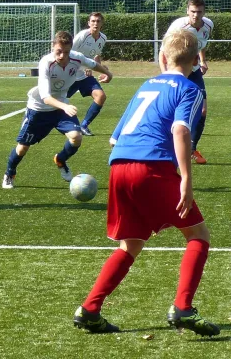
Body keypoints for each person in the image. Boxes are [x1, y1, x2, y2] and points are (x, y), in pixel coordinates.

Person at [73, 29, 219, 337]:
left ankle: (89, 310)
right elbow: (181, 131)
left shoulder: (146, 85)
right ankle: (182, 307)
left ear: (162, 58)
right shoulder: (190, 90)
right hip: (150, 167)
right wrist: (186, 180)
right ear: (196, 61)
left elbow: (114, 138)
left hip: (119, 166)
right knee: (198, 235)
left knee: (132, 244)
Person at [2, 31, 113, 189]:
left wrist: (108, 73)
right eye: (58, 51)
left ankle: (60, 160)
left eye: (66, 52)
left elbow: (92, 64)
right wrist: (65, 106)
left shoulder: (76, 57)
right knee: (23, 148)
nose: (62, 55)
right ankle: (9, 173)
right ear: (52, 47)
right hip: (38, 108)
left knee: (76, 137)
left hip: (60, 108)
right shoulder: (46, 63)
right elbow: (45, 96)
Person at [159, 0, 213, 165]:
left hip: (194, 70)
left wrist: (202, 60)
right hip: (176, 70)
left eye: (199, 12)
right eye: (193, 12)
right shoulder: (178, 26)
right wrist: (166, 76)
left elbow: (202, 44)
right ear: (187, 11)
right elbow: (163, 52)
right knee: (170, 108)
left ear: (204, 12)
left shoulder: (208, 25)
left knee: (202, 110)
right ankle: (166, 145)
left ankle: (191, 149)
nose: (196, 15)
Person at [66, 12, 108, 136]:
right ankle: (33, 120)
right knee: (56, 101)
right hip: (71, 74)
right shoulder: (82, 36)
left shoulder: (103, 38)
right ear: (89, 23)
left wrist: (102, 69)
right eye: (93, 21)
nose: (96, 23)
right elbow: (69, 54)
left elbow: (96, 56)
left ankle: (83, 125)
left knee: (100, 96)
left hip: (85, 77)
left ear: (102, 23)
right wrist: (84, 66)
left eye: (98, 21)